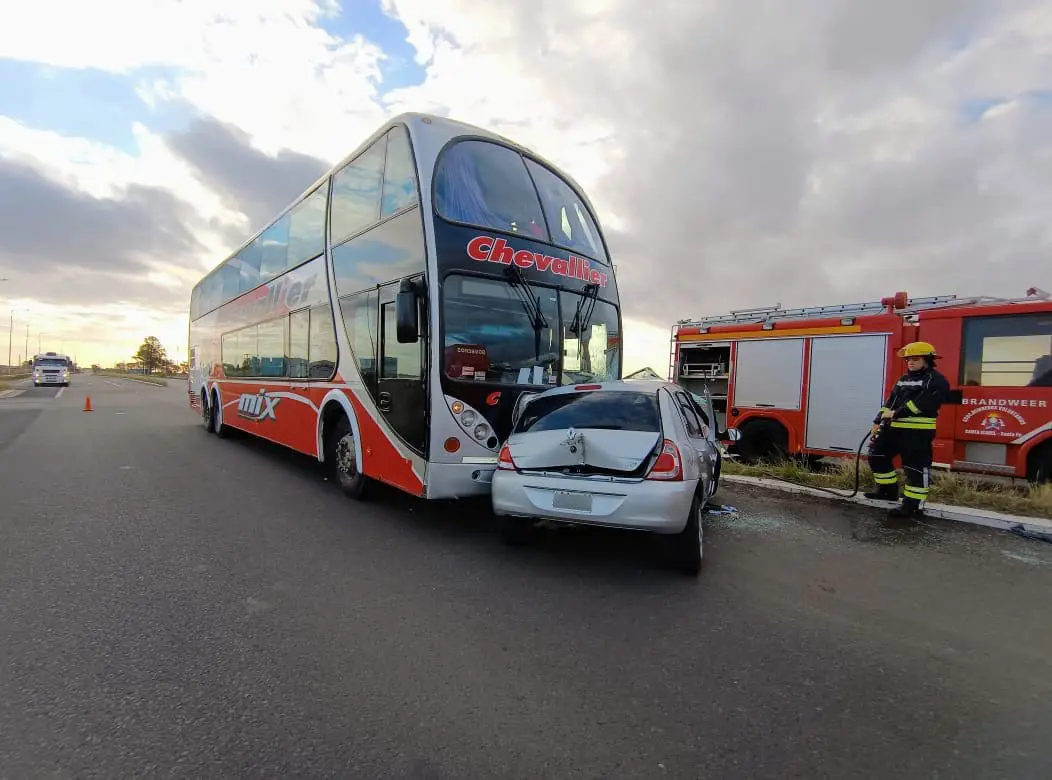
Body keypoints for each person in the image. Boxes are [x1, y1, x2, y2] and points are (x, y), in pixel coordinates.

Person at [864, 341, 950, 520]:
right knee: (876, 454)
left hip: (917, 432)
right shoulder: (904, 379)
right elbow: (891, 401)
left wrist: (897, 413)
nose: (910, 362)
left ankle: (913, 505)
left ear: (927, 360)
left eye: (915, 359)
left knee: (915, 467)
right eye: (908, 359)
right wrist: (878, 420)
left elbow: (923, 403)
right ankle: (887, 491)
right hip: (894, 429)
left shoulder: (936, 380)